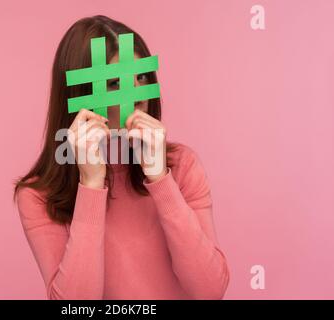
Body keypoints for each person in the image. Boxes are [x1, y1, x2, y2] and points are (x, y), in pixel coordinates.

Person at [14, 15, 229, 300]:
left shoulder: (182, 166)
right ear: (82, 97)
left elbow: (210, 290)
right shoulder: (40, 194)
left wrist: (160, 178)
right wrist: (90, 185)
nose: (139, 96)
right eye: (115, 83)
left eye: (141, 77)